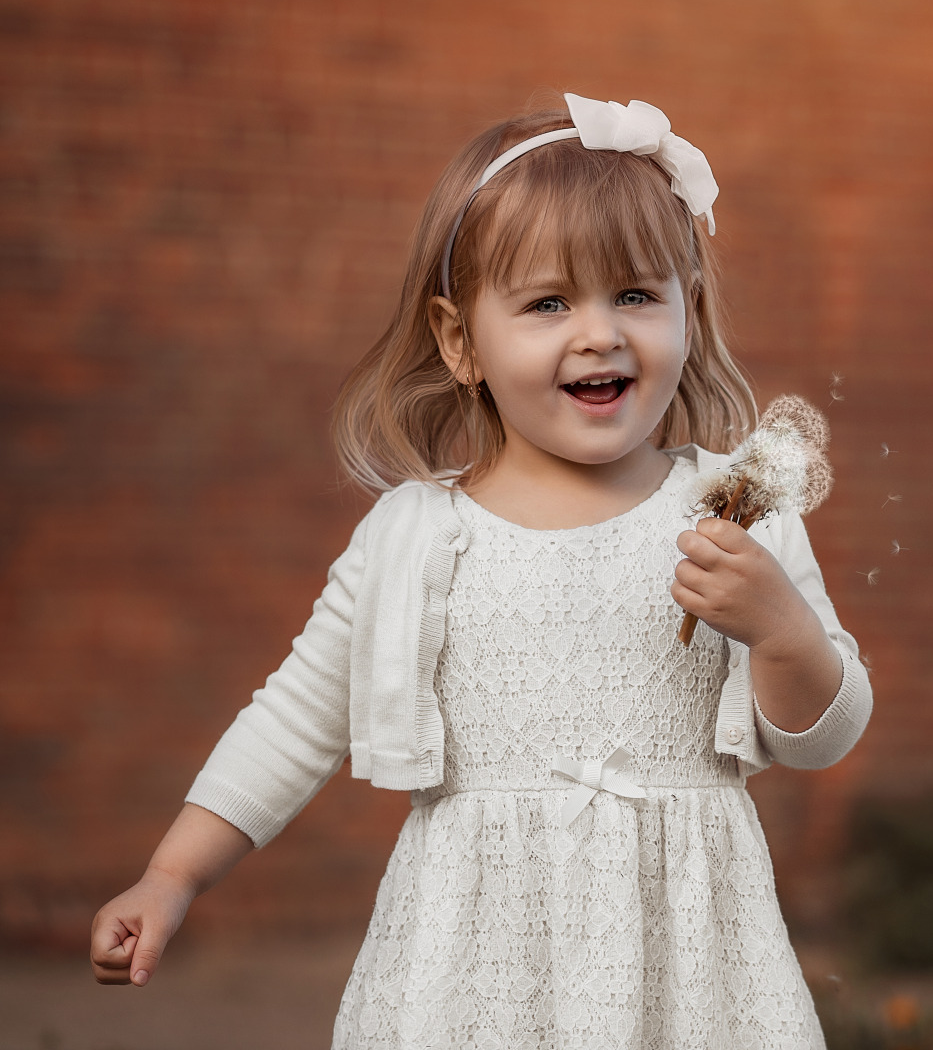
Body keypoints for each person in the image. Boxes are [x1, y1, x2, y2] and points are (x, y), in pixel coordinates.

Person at [88, 93, 872, 1049]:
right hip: (472, 960)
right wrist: (172, 876)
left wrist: (782, 630)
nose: (598, 333)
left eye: (635, 295)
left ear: (689, 308)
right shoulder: (415, 535)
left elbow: (820, 738)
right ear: (460, 341)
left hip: (689, 962)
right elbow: (295, 717)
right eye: (548, 303)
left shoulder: (733, 513)